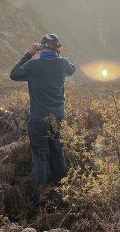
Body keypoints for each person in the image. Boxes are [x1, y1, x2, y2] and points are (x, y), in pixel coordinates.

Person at [9, 33, 76, 205]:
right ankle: (63, 192)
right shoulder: (63, 63)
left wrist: (29, 53)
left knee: (39, 157)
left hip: (38, 119)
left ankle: (36, 199)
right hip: (58, 117)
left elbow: (14, 74)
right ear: (57, 47)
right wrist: (58, 54)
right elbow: (72, 69)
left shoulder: (33, 65)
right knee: (57, 152)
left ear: (42, 47)